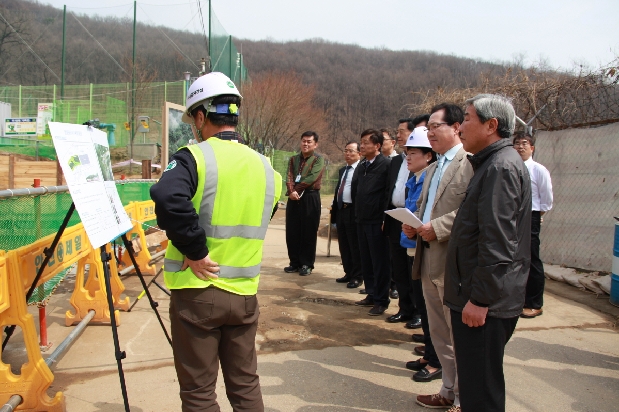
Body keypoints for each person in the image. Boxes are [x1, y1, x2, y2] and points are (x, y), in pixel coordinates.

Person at [151, 72, 282, 412]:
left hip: (199, 291)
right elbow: (265, 214)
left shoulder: (193, 157)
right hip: (244, 296)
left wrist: (196, 251)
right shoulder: (267, 169)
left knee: (198, 391)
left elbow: (167, 197)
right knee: (245, 384)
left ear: (200, 116)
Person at [445, 94, 532, 412]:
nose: (461, 126)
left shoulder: (500, 168)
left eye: (467, 119)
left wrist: (480, 299)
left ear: (491, 125)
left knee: (481, 392)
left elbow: (498, 242)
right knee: (476, 386)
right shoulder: (492, 164)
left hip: (485, 303)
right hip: (478, 294)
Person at [402, 103, 473, 410]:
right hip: (426, 255)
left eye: (434, 127)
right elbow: (426, 207)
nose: (429, 133)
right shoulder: (433, 166)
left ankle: (463, 396)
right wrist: (414, 223)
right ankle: (446, 389)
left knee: (457, 334)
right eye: (427, 128)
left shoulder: (470, 164)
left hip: (451, 260)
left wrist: (438, 227)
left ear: (456, 127)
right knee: (438, 331)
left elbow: (472, 211)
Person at [397, 127, 443, 383]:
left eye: (412, 153)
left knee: (429, 307)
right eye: (406, 153)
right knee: (422, 304)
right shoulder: (414, 177)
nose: (408, 158)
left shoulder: (431, 177)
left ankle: (436, 360)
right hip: (410, 243)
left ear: (428, 156)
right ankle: (430, 352)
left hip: (423, 247)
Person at [351, 129, 391, 315]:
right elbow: (356, 190)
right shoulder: (362, 165)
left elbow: (386, 194)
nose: (363, 145)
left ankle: (382, 300)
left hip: (377, 220)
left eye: (367, 142)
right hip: (361, 219)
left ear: (377, 145)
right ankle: (371, 294)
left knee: (379, 261)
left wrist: (384, 217)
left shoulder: (385, 165)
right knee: (366, 260)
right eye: (362, 142)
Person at [384, 123, 420, 326]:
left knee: (411, 268)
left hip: (412, 219)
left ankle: (417, 311)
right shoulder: (398, 161)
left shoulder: (425, 160)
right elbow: (391, 188)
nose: (397, 135)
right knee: (398, 267)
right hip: (394, 217)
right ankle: (404, 308)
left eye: (401, 132)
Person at [513, 132, 553, 318]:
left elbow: (546, 199)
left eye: (524, 143)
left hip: (531, 216)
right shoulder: (511, 168)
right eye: (517, 144)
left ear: (532, 148)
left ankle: (535, 303)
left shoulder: (538, 170)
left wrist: (535, 215)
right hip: (512, 217)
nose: (520, 147)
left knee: (532, 259)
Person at [284, 131, 325, 276]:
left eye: (309, 141)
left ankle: (307, 264)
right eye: (303, 141)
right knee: (292, 231)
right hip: (293, 197)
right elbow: (288, 176)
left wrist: (296, 190)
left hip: (310, 197)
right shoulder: (293, 159)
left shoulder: (318, 160)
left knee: (308, 231)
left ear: (315, 144)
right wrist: (291, 191)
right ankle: (294, 262)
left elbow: (311, 178)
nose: (305, 144)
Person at [332, 141, 363, 288]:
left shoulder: (361, 170)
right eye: (346, 151)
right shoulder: (342, 170)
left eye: (351, 151)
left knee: (354, 244)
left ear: (359, 153)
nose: (348, 154)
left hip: (353, 210)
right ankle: (348, 272)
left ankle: (357, 276)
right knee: (343, 244)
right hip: (341, 210)